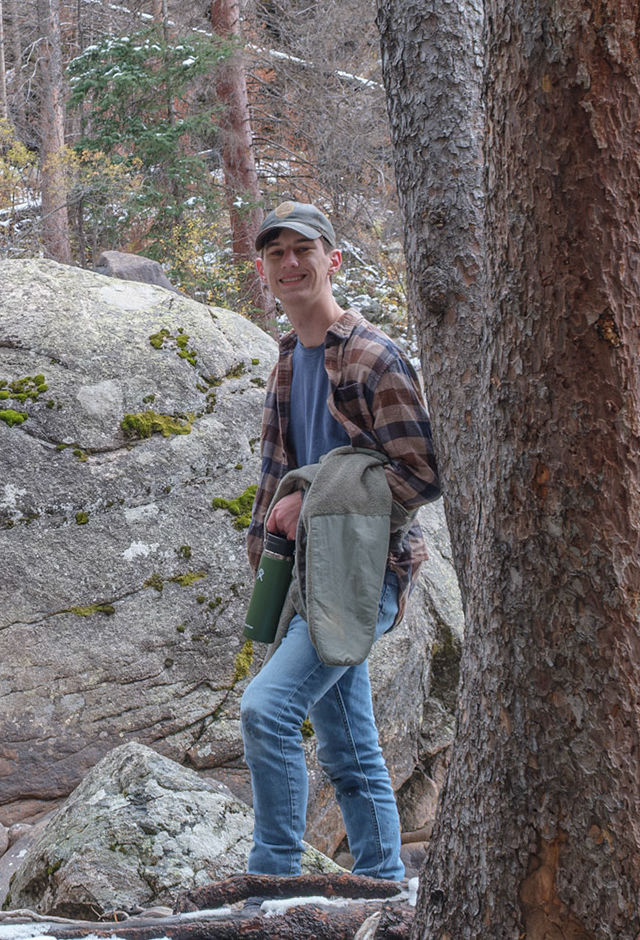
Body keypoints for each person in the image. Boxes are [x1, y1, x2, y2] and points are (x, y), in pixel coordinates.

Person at [239, 200, 439, 882]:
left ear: (333, 260)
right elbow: (276, 471)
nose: (290, 264)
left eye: (303, 250)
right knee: (351, 750)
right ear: (264, 269)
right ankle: (382, 887)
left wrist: (314, 495)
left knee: (266, 710)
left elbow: (422, 475)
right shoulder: (290, 356)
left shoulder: (373, 358)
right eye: (276, 254)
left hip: (362, 577)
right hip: (303, 579)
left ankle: (271, 885)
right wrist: (267, 539)